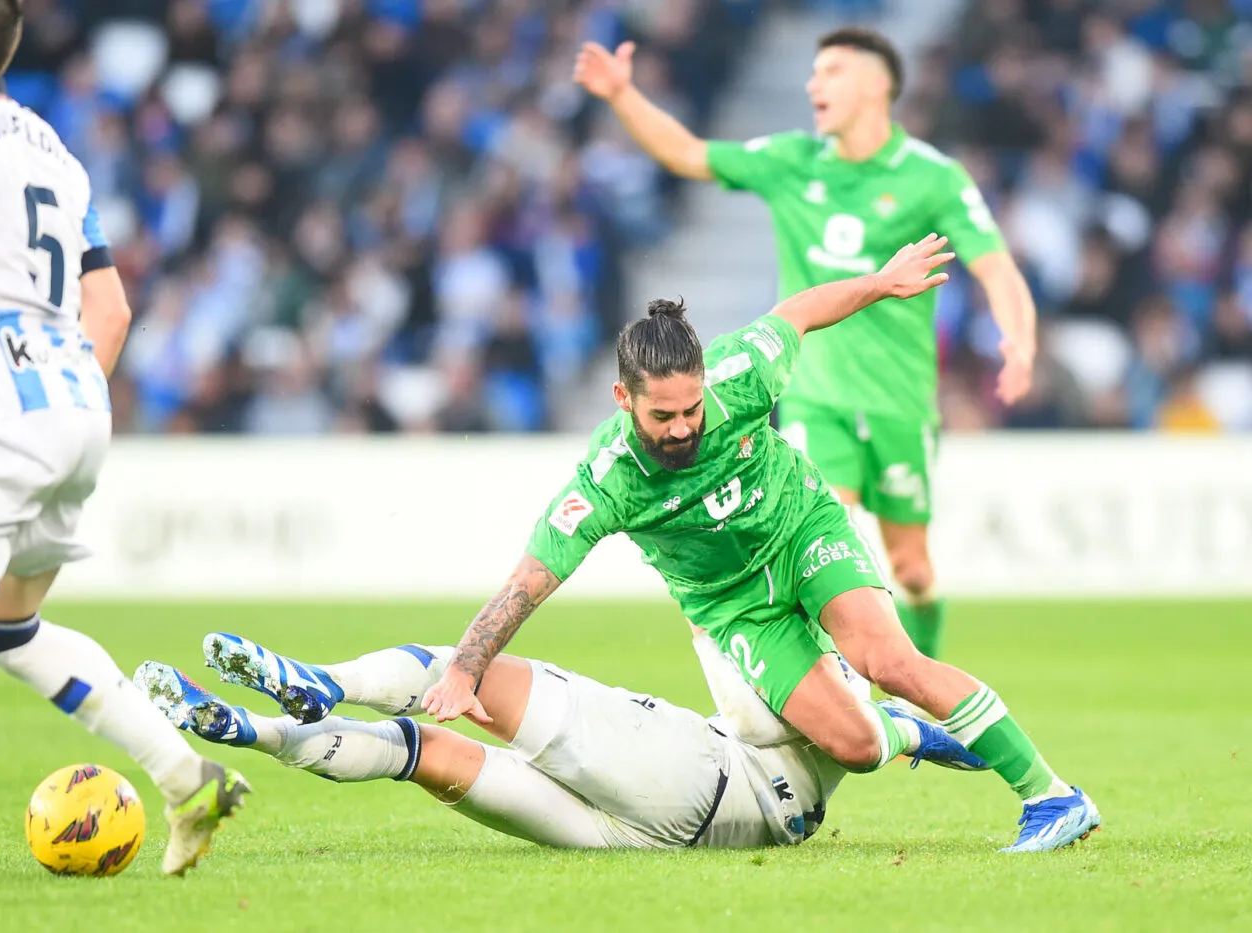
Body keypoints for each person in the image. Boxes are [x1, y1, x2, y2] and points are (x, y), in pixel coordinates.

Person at [418, 238, 1100, 853]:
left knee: (889, 659)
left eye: (693, 408)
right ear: (623, 398)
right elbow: (527, 582)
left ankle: (1052, 795)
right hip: (735, 606)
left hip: (801, 530)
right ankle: (908, 732)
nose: (685, 426)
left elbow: (799, 310)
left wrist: (883, 281)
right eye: (665, 416)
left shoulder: (739, 374)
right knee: (857, 747)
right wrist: (464, 667)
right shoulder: (608, 482)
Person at [0, 1, 247, 907]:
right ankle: (191, 781)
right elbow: (111, 312)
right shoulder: (50, 148)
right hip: (77, 404)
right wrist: (59, 404)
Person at [573, 27, 1041, 663]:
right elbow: (688, 154)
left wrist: (1019, 340)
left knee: (913, 571)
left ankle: (918, 673)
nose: (813, 84)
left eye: (831, 72)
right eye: (814, 71)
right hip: (816, 396)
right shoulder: (792, 161)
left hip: (900, 402)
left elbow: (995, 266)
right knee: (827, 542)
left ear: (877, 85)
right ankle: (850, 699)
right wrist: (623, 96)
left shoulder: (933, 179)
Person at [135, 631, 948, 850]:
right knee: (426, 755)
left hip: (696, 775)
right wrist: (994, 750)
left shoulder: (807, 670)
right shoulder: (865, 715)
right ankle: (253, 730)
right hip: (664, 838)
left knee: (467, 673)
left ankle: (319, 680)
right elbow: (930, 733)